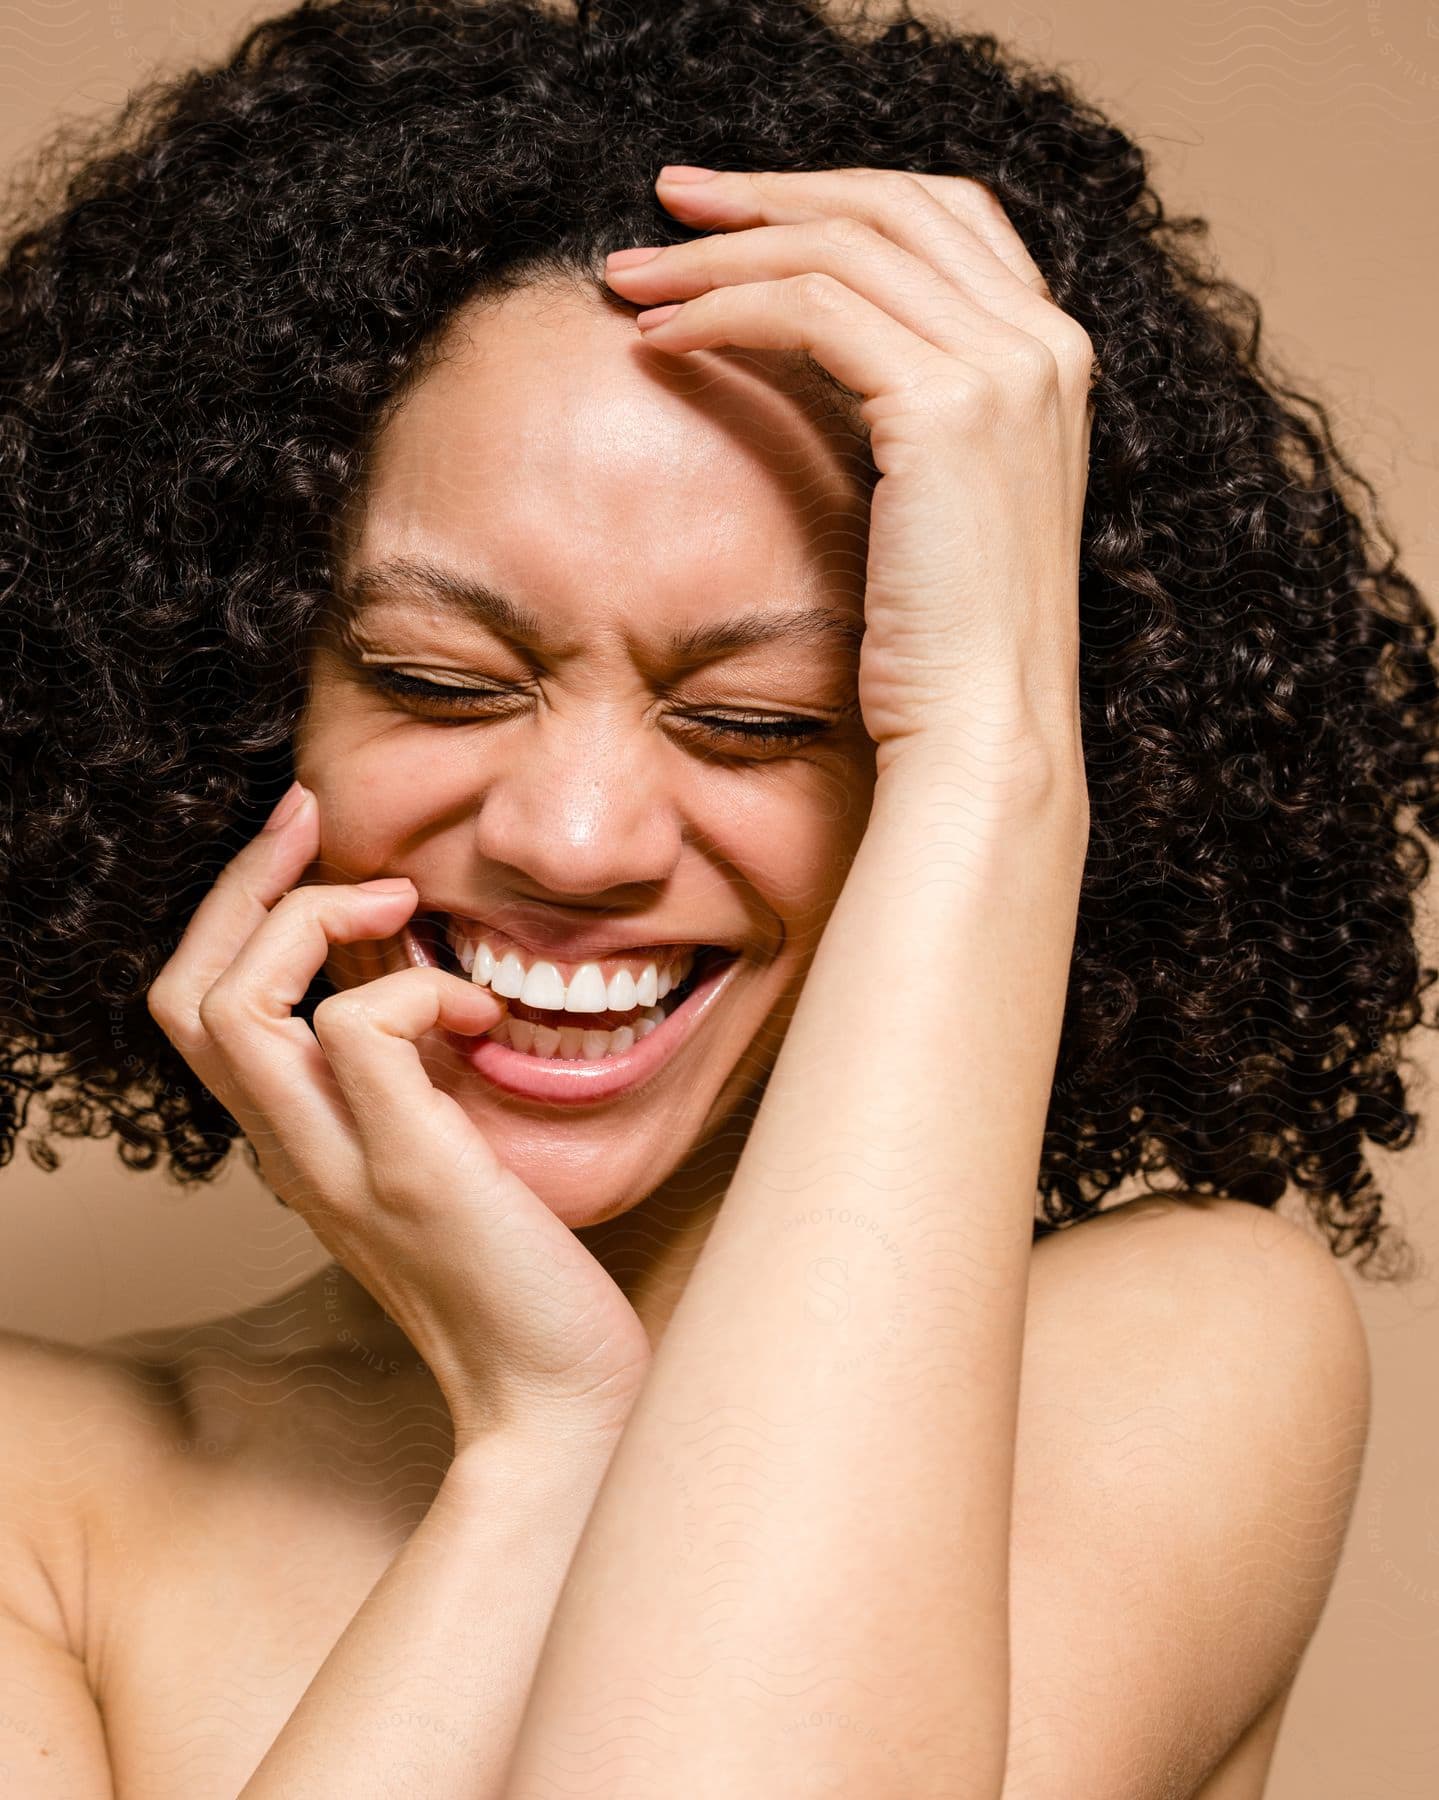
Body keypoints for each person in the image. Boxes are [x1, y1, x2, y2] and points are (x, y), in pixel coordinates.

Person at [0, 1, 1426, 1794]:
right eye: (440, 681)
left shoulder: (1170, 1362)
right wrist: (541, 1444)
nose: (580, 841)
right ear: (209, 697)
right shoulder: (28, 1488)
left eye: (763, 719)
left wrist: (993, 750)